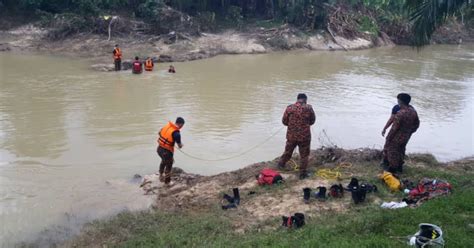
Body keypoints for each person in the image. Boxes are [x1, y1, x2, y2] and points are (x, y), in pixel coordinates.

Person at [278, 93, 316, 179]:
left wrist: (292, 125)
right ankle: (302, 173)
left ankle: (281, 164)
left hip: (292, 136)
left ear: (297, 99)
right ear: (305, 99)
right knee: (304, 155)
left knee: (288, 151)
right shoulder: (309, 108)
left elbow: (284, 121)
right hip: (304, 137)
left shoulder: (290, 108)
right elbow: (312, 121)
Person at [383, 93, 420, 174]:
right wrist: (409, 132)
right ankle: (400, 167)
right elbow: (417, 124)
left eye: (398, 100)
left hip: (397, 137)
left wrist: (388, 138)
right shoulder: (413, 111)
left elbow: (394, 128)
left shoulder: (400, 113)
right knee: (401, 150)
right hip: (406, 136)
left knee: (392, 151)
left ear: (400, 101)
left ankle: (392, 169)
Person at [157, 117, 185, 186]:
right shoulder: (176, 133)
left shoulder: (167, 126)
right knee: (169, 166)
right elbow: (179, 146)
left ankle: (160, 174)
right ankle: (167, 182)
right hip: (166, 152)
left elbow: (159, 133)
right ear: (181, 124)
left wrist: (167, 141)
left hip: (159, 149)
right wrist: (181, 145)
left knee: (163, 161)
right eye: (182, 125)